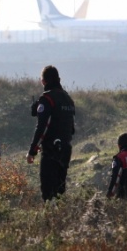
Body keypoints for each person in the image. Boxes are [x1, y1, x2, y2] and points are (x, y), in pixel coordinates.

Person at [26, 65, 75, 201]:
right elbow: (72, 129)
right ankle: (61, 218)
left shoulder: (47, 99)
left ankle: (50, 220)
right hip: (66, 148)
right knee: (60, 190)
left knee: (48, 192)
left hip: (51, 150)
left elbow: (43, 126)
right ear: (59, 79)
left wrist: (32, 150)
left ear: (43, 81)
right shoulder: (68, 99)